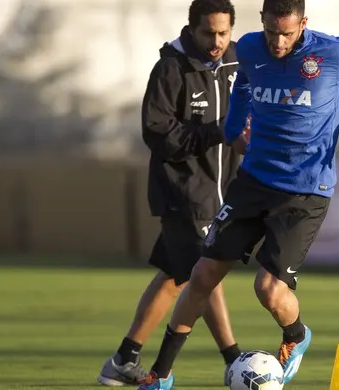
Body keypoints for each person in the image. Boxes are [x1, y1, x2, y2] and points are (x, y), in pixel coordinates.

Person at [138, 0, 339, 388]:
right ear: (262, 22)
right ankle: (161, 374)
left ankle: (296, 335)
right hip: (254, 181)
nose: (277, 42)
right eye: (272, 32)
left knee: (268, 289)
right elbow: (242, 84)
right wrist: (234, 128)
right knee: (202, 273)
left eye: (287, 34)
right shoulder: (250, 47)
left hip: (305, 190)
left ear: (303, 23)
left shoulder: (333, 52)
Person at [97, 0, 250, 386]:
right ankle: (234, 361)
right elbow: (159, 135)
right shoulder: (171, 68)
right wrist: (218, 131)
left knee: (174, 277)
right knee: (206, 272)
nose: (216, 42)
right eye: (207, 33)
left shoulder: (239, 62)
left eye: (223, 32)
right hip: (183, 192)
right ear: (191, 29)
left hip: (222, 193)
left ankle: (123, 359)